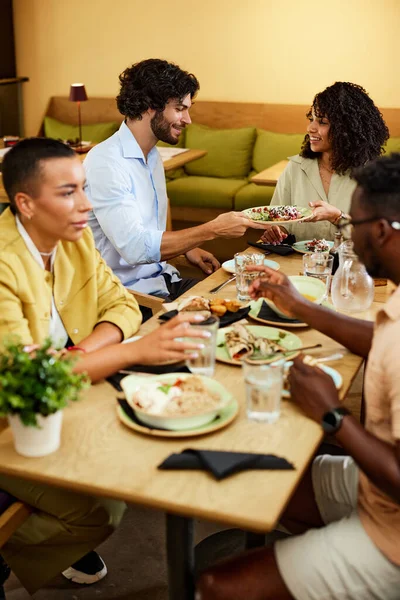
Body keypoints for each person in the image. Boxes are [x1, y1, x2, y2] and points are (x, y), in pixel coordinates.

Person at [0, 138, 208, 595]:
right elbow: (26, 383)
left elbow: (123, 306)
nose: (86, 204)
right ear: (25, 204)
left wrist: (81, 356)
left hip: (66, 389)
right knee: (102, 508)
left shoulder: (73, 240)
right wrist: (133, 352)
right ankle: (10, 553)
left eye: (84, 188)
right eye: (68, 192)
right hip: (12, 422)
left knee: (131, 472)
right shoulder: (4, 263)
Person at [196, 153, 400, 599]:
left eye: (352, 227)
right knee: (268, 480)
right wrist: (300, 306)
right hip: (375, 486)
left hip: (393, 532)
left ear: (381, 232)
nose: (348, 236)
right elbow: (383, 338)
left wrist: (331, 415)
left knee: (215, 585)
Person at [84, 59, 271, 301]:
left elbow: (147, 230)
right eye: (180, 109)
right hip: (129, 298)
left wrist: (188, 249)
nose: (188, 120)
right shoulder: (106, 162)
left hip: (163, 279)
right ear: (150, 105)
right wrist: (211, 230)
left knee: (250, 299)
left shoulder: (151, 155)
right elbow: (135, 248)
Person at [260, 81, 389, 245]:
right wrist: (277, 231)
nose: (310, 128)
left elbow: (379, 238)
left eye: (322, 122)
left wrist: (337, 217)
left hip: (351, 267)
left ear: (346, 128)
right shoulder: (295, 168)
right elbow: (279, 220)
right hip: (300, 266)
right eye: (312, 119)